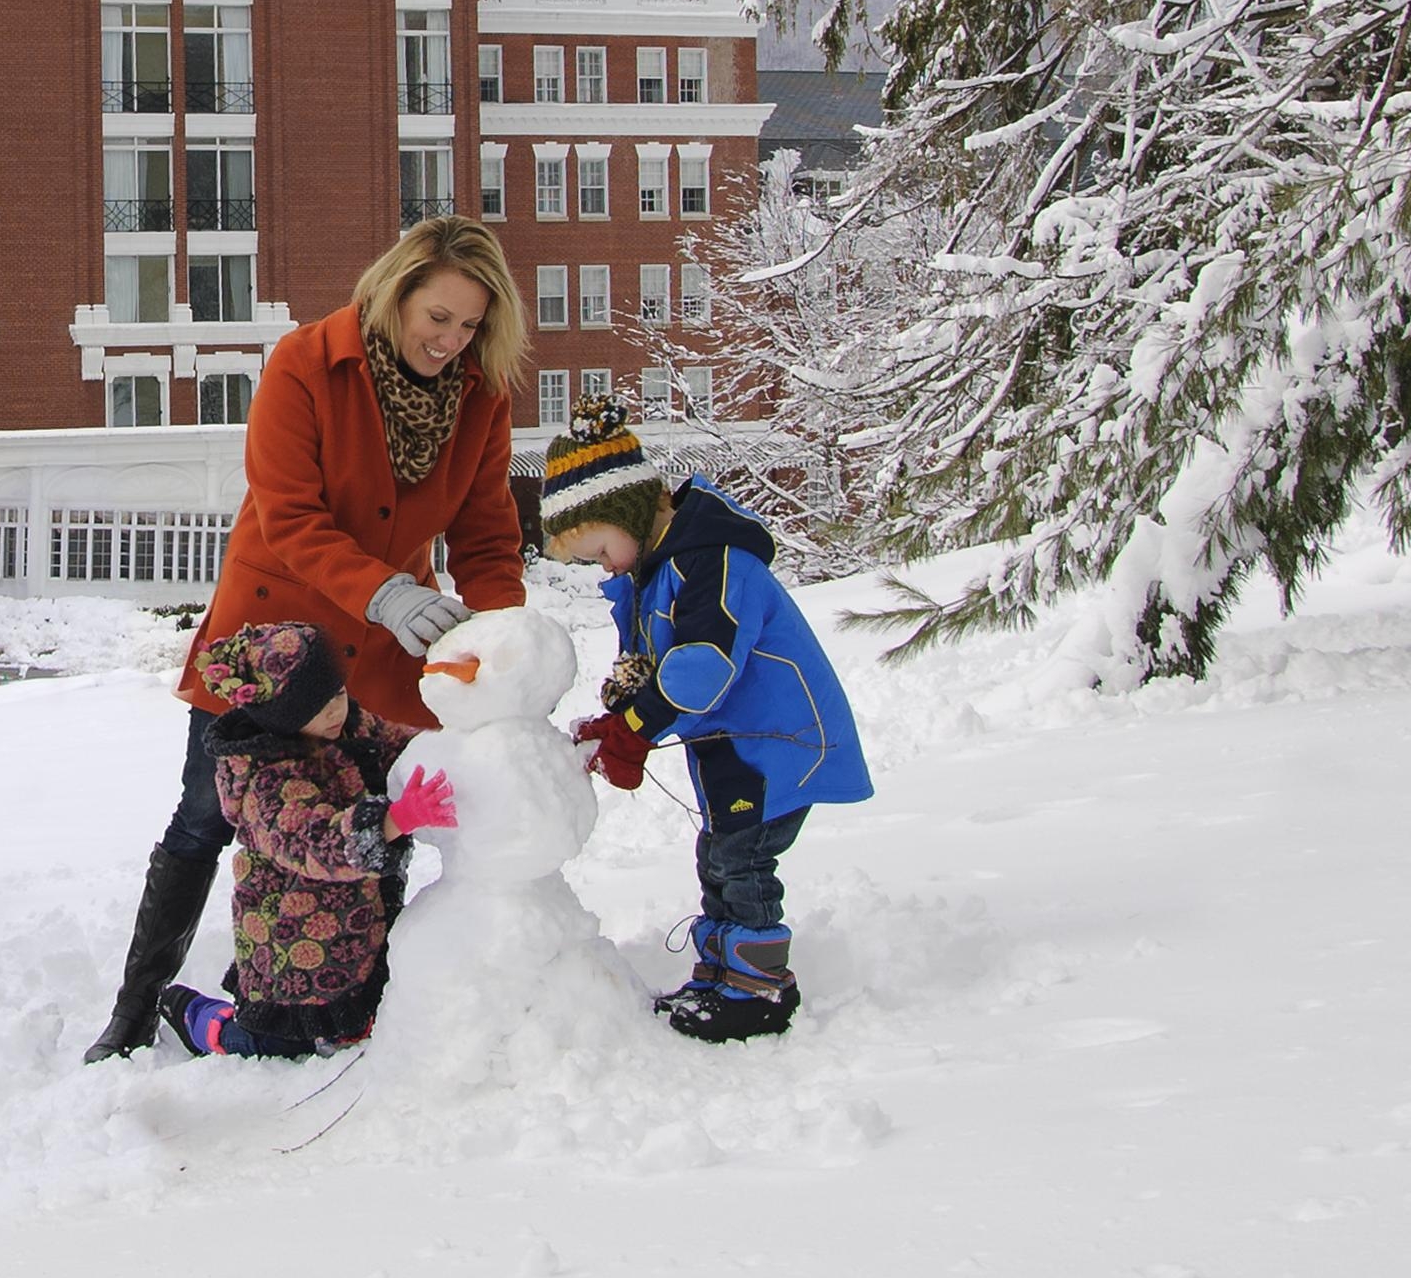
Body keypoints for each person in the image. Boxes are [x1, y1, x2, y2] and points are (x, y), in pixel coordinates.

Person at [80, 216, 532, 1060]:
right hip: (276, 645)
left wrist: (505, 637)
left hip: (388, 649)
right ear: (396, 293)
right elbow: (289, 516)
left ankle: (358, 995)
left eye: (471, 326)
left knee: (376, 822)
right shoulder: (305, 363)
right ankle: (136, 1009)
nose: (451, 340)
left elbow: (485, 536)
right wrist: (384, 590)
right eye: (438, 317)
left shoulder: (482, 397)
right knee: (207, 817)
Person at [535, 399, 873, 1040]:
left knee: (740, 859)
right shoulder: (659, 568)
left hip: (774, 740)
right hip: (730, 743)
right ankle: (722, 972)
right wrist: (621, 718)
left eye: (599, 550)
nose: (603, 567)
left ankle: (759, 988)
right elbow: (651, 660)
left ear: (627, 512)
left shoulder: (712, 559)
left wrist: (636, 727)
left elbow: (701, 667)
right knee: (720, 854)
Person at [156, 617, 449, 1056]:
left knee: (364, 1012)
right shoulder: (264, 779)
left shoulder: (350, 725)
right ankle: (196, 1017)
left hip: (355, 925)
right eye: (316, 706)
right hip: (292, 945)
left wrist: (448, 752)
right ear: (281, 717)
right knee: (275, 1042)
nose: (335, 711)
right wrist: (393, 820)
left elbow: (400, 747)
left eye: (337, 694)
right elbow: (313, 842)